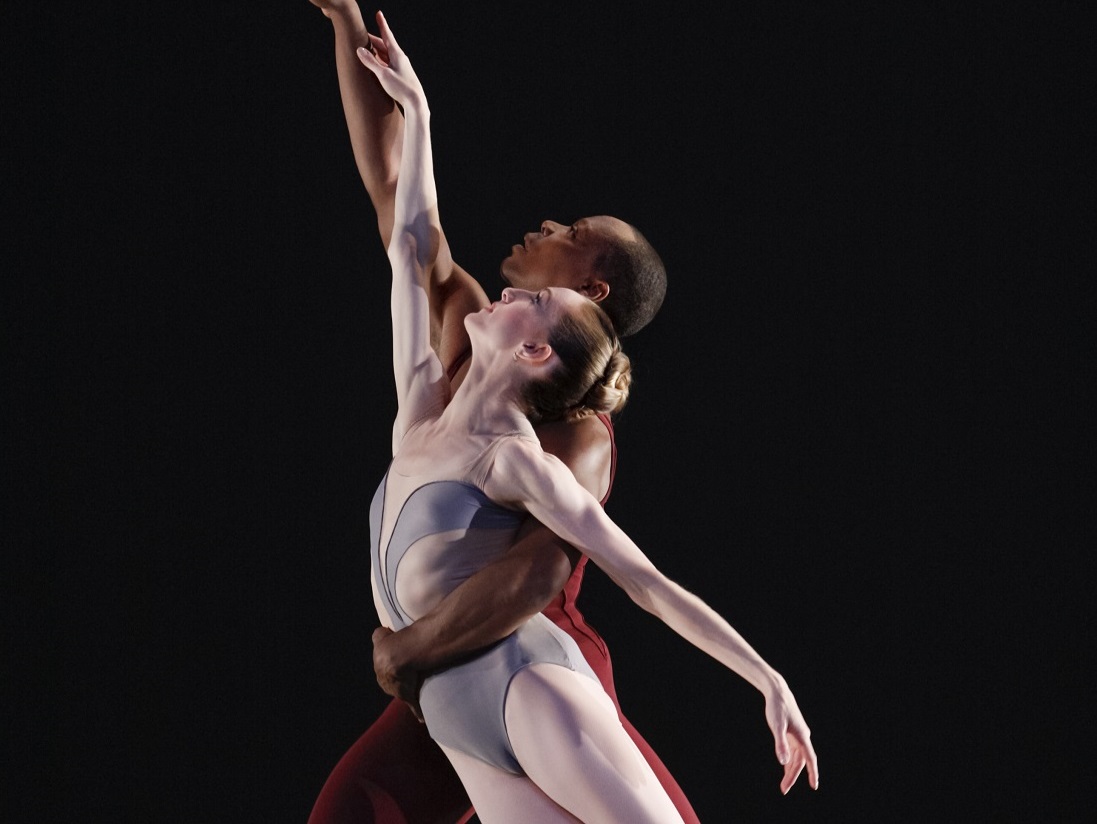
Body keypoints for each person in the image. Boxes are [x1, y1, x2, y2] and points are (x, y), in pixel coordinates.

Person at [306, 4, 816, 822]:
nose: (541, 232)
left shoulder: (560, 439)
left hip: (518, 668)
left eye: (569, 235)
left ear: (584, 301)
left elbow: (573, 572)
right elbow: (406, 222)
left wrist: (767, 677)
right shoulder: (432, 389)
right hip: (447, 702)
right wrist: (362, 47)